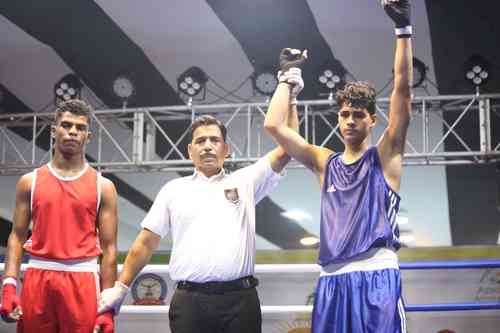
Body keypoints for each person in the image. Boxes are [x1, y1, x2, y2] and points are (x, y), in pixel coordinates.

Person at [264, 1, 413, 332]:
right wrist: (287, 79)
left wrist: (403, 30)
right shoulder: (324, 161)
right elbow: (274, 125)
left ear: (372, 120)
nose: (349, 121)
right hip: (332, 280)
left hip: (377, 277)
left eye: (358, 115)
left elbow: (402, 91)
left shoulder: (385, 156)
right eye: (344, 114)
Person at [96, 112, 298, 333]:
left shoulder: (245, 181)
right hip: (190, 304)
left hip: (240, 303)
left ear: (226, 149)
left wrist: (292, 96)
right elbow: (145, 243)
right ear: (190, 151)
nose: (208, 146)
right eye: (201, 141)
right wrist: (120, 287)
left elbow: (290, 147)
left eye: (215, 140)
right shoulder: (173, 190)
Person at [0, 99, 118, 333]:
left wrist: (108, 307)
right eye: (66, 125)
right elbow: (16, 237)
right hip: (37, 279)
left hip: (82, 280)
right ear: (54, 131)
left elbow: (109, 249)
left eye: (80, 127)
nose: (73, 131)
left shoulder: (102, 187)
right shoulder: (29, 182)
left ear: (88, 137)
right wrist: (9, 285)